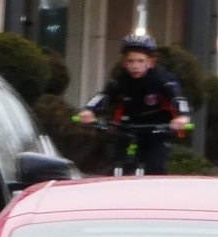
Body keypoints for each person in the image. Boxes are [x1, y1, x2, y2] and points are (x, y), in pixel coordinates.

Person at [76, 33, 191, 176]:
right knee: (122, 161)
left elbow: (178, 99)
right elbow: (104, 96)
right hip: (129, 129)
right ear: (124, 63)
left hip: (157, 131)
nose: (135, 66)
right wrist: (89, 110)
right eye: (130, 61)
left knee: (155, 166)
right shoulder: (120, 80)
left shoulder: (161, 79)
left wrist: (183, 117)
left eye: (140, 61)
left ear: (151, 62)